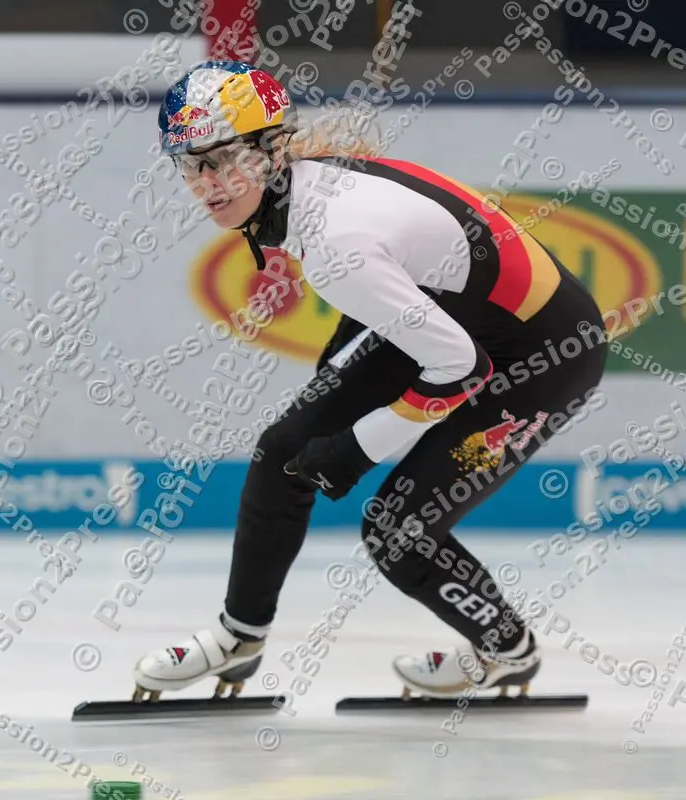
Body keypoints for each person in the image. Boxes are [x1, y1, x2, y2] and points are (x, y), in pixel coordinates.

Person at [133, 61, 608, 701]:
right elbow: (404, 282)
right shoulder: (314, 185)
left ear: (269, 152)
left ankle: (506, 648)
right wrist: (338, 382)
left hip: (546, 356)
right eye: (189, 165)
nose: (205, 184)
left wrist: (357, 446)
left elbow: (462, 368)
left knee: (398, 529)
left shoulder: (336, 241)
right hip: (461, 313)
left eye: (219, 160)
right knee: (285, 450)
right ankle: (239, 635)